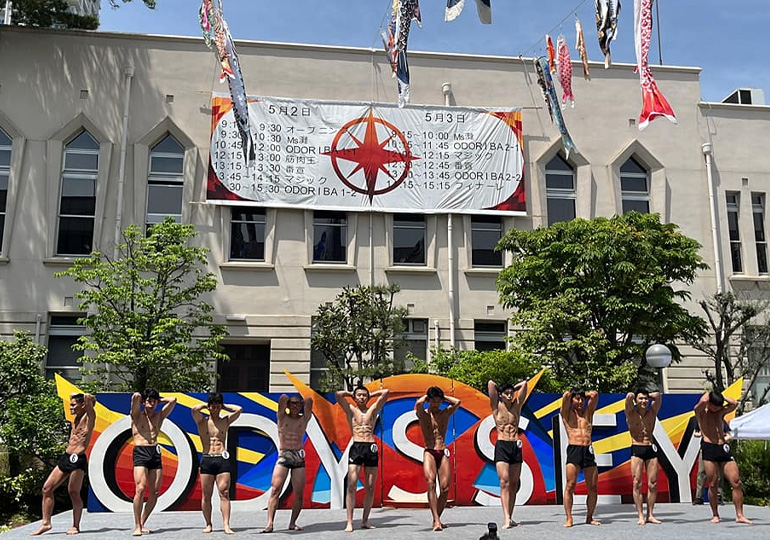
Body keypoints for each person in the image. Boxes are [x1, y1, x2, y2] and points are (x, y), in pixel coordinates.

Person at [32, 393, 96, 536]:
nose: (71, 407)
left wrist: (87, 398)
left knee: (73, 492)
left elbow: (91, 406)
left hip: (78, 458)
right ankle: (46, 523)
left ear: (83, 405)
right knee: (47, 488)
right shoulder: (75, 419)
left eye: (73, 404)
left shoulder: (88, 418)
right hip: (66, 457)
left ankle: (75, 525)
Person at [336, 384, 390, 532]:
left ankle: (365, 520)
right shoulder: (351, 410)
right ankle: (350, 521)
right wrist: (351, 393)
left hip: (370, 446)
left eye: (364, 395)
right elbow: (338, 395)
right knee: (352, 484)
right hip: (357, 446)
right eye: (359, 395)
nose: (362, 397)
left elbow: (386, 393)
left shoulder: (373, 409)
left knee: (370, 486)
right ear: (355, 397)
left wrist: (371, 394)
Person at [694, 391, 752, 524]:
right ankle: (715, 514)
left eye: (719, 406)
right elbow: (700, 404)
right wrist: (709, 394)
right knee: (713, 483)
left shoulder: (720, 412)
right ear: (709, 403)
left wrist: (720, 395)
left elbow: (734, 403)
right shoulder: (701, 413)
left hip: (723, 447)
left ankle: (739, 515)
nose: (717, 409)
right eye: (715, 406)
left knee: (736, 482)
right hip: (709, 447)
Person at [192, 393, 243, 535]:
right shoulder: (202, 422)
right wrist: (206, 405)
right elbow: (194, 410)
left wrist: (224, 405)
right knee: (206, 495)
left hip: (222, 458)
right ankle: (208, 523)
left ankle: (226, 524)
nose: (215, 408)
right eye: (213, 405)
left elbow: (239, 410)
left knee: (224, 492)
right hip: (207, 458)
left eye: (217, 405)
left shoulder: (225, 421)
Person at [263, 393, 314, 533]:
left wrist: (302, 402)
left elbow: (310, 400)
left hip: (298, 455)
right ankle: (270, 523)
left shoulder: (303, 419)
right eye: (292, 403)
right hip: (284, 454)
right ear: (288, 406)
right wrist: (289, 401)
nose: (295, 406)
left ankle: (292, 522)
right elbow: (282, 398)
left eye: (297, 404)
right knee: (275, 489)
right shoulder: (282, 416)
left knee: (299, 493)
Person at [130, 388, 177, 536]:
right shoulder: (137, 416)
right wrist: (145, 399)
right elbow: (135, 397)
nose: (151, 404)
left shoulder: (159, 416)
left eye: (154, 401)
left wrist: (157, 399)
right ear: (144, 402)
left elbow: (173, 400)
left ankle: (143, 521)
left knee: (155, 492)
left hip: (154, 452)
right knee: (140, 488)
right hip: (141, 452)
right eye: (149, 401)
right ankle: (137, 525)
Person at [414, 386, 461, 531]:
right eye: (433, 401)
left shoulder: (445, 413)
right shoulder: (423, 414)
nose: (436, 404)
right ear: (429, 400)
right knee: (430, 483)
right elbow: (418, 405)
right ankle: (437, 520)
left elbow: (458, 402)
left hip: (442, 451)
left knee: (445, 488)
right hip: (429, 451)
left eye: (438, 401)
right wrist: (427, 397)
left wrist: (443, 397)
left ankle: (437, 518)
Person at [487, 379, 528, 529]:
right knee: (504, 481)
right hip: (502, 445)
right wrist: (502, 389)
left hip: (515, 445)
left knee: (514, 483)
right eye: (507, 393)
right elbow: (491, 384)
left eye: (512, 393)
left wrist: (512, 387)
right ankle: (506, 518)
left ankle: (510, 516)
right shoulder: (496, 406)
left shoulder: (517, 406)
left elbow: (525, 384)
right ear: (501, 395)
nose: (510, 396)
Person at [560, 389, 600, 527]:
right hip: (574, 449)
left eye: (582, 399)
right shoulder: (567, 413)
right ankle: (569, 518)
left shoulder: (588, 413)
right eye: (577, 399)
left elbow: (594, 395)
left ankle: (589, 517)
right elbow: (565, 396)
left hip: (588, 449)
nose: (581, 401)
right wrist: (574, 394)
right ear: (572, 400)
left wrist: (584, 394)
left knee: (593, 487)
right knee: (570, 485)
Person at [624, 389, 662, 525]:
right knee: (637, 483)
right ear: (636, 400)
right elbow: (628, 399)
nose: (644, 401)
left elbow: (658, 396)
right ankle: (640, 515)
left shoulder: (652, 412)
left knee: (653, 483)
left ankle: (650, 514)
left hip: (650, 448)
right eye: (640, 399)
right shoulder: (630, 413)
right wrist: (634, 395)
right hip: (637, 447)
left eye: (645, 399)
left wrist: (646, 394)